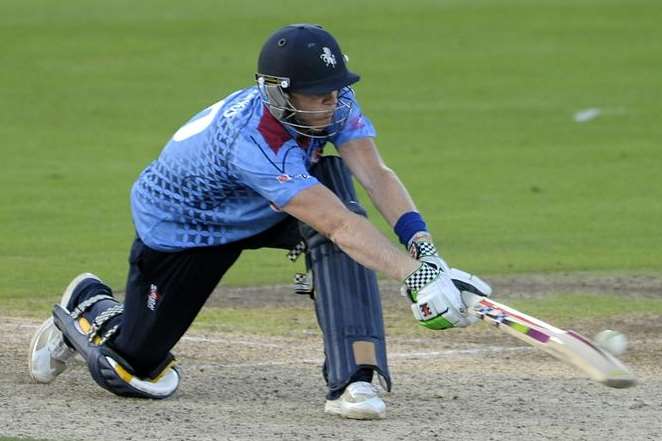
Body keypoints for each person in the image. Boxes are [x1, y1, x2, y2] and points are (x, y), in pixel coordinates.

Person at [28, 23, 491, 420]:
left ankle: (355, 379)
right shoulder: (251, 140)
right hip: (189, 229)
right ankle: (89, 303)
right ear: (279, 93)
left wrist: (425, 253)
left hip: (266, 204)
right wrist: (419, 279)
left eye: (335, 92)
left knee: (340, 208)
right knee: (132, 371)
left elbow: (375, 173)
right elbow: (338, 226)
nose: (334, 105)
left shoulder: (335, 100)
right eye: (320, 97)